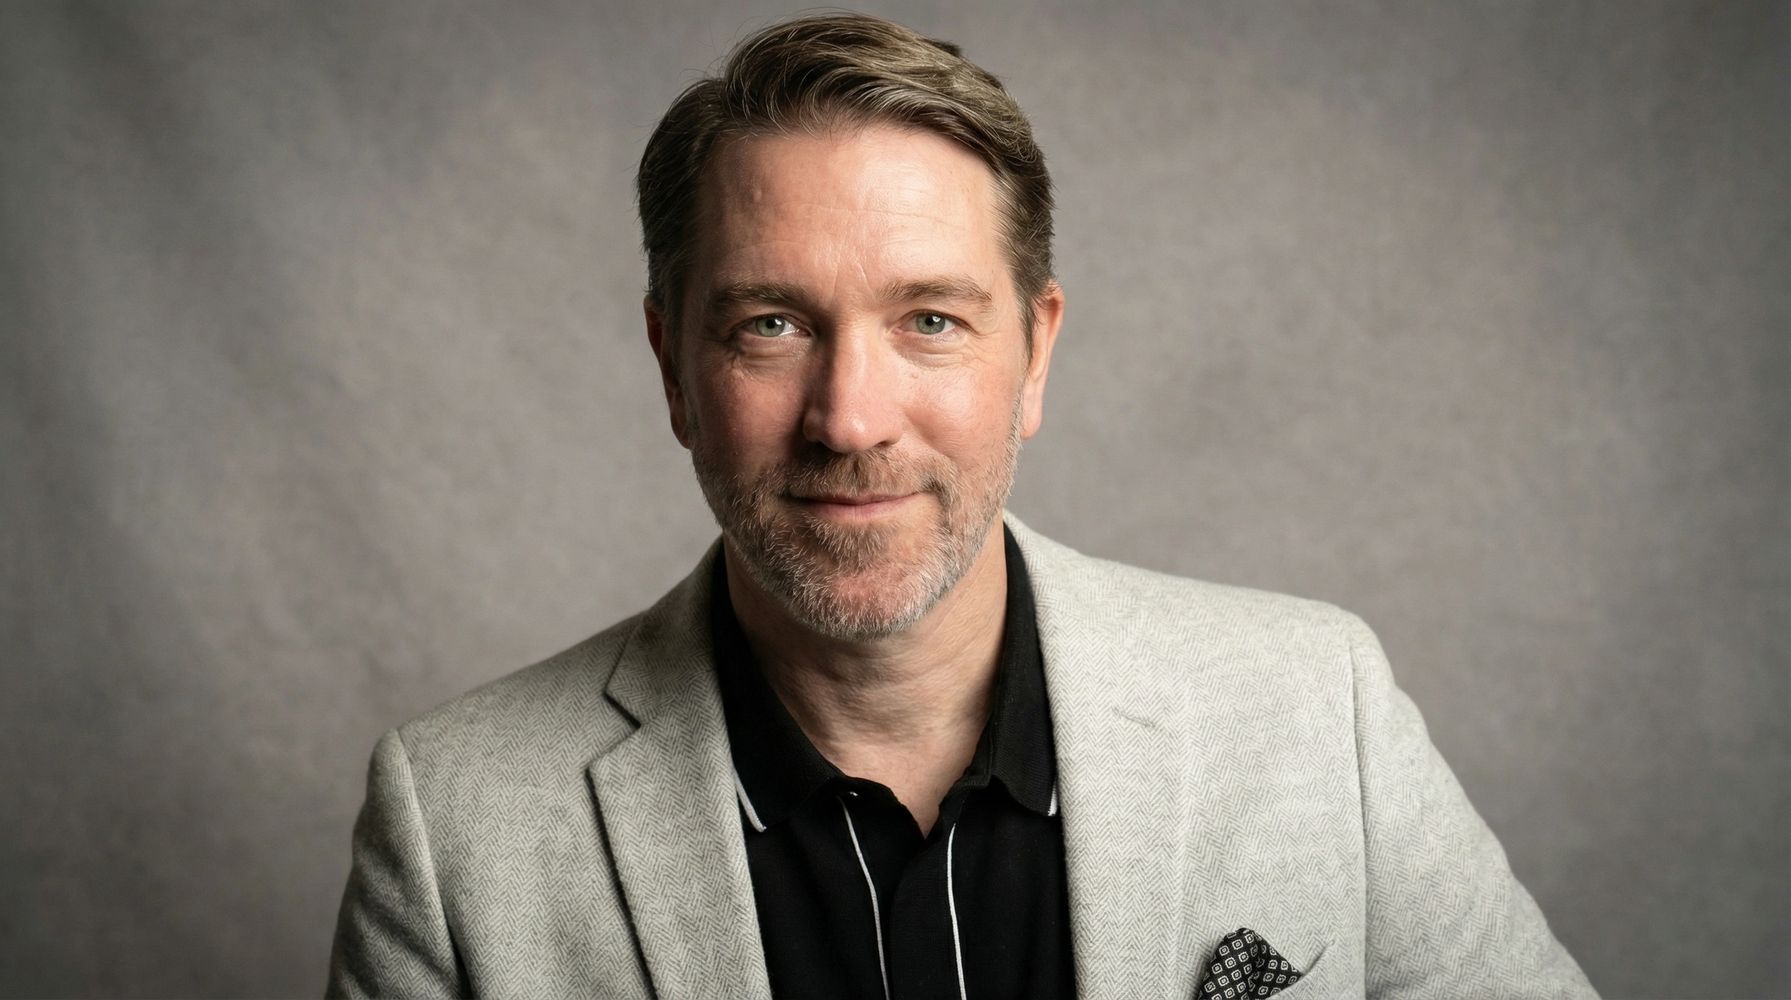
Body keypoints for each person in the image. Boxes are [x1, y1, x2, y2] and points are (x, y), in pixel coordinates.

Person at [327, 13, 1596, 999]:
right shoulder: (458, 826)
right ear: (673, 368)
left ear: (1034, 356)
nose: (850, 417)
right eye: (772, 324)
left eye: (930, 320)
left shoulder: (1319, 708)